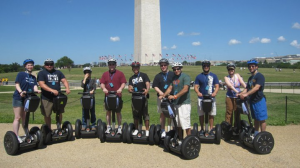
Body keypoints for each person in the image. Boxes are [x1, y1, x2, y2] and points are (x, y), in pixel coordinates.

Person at [160, 62, 191, 140]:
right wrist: (163, 96)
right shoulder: (174, 78)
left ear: (181, 68)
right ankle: (180, 140)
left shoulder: (185, 77)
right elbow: (170, 88)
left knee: (186, 124)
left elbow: (185, 89)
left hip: (184, 104)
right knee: (178, 124)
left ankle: (189, 140)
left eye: (178, 69)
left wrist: (175, 96)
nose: (176, 70)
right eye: (174, 69)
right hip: (176, 104)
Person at [37, 59, 71, 132]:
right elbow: (42, 84)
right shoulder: (42, 73)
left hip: (57, 97)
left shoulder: (58, 72)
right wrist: (52, 90)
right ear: (44, 65)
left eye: (51, 64)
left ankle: (59, 127)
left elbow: (64, 80)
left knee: (59, 112)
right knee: (47, 114)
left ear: (53, 65)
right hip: (47, 97)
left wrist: (67, 88)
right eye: (47, 64)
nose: (49, 66)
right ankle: (48, 129)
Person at [12, 59, 40, 143]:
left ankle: (26, 134)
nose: (30, 66)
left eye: (31, 65)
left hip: (28, 98)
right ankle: (16, 136)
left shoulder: (33, 77)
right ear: (25, 66)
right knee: (18, 117)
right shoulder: (21, 74)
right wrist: (20, 92)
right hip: (19, 97)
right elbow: (17, 84)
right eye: (28, 65)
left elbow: (35, 86)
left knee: (25, 117)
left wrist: (37, 90)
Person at [239, 59, 268, 136]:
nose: (251, 67)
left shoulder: (260, 76)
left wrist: (246, 94)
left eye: (252, 66)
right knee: (255, 118)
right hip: (252, 101)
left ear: (256, 67)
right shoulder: (250, 78)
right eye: (249, 66)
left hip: (259, 100)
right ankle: (256, 133)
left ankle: (263, 135)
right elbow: (247, 88)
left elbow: (256, 88)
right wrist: (240, 94)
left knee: (261, 119)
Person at [100, 59, 127, 134]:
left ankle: (119, 127)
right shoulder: (105, 74)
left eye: (113, 64)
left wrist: (120, 89)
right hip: (108, 96)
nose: (111, 66)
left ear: (115, 65)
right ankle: (108, 127)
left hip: (117, 96)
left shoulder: (120, 73)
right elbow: (102, 83)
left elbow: (123, 83)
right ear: (108, 65)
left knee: (118, 112)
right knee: (108, 112)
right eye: (110, 64)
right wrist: (104, 88)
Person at [194, 60, 219, 136]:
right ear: (202, 67)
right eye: (204, 66)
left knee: (211, 114)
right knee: (201, 114)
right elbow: (195, 86)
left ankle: (211, 129)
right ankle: (202, 129)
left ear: (209, 66)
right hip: (201, 98)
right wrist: (198, 92)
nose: (206, 67)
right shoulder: (199, 76)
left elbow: (217, 86)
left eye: (207, 66)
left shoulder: (214, 76)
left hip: (211, 98)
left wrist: (215, 92)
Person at [152, 58, 174, 138]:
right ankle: (163, 130)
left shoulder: (172, 74)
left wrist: (166, 94)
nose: (163, 67)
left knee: (172, 114)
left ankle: (173, 129)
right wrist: (161, 93)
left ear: (167, 65)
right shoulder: (158, 76)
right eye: (161, 65)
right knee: (162, 114)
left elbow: (175, 85)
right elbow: (155, 86)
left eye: (165, 65)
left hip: (171, 97)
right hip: (161, 98)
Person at [128, 61, 150, 136]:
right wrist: (130, 89)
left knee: (145, 114)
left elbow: (147, 83)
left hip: (143, 96)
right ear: (132, 69)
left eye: (137, 67)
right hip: (135, 97)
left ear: (139, 68)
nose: (135, 69)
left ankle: (147, 130)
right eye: (134, 67)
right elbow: (130, 86)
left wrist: (147, 89)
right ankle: (136, 129)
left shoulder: (144, 75)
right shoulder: (131, 78)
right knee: (135, 114)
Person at [224, 64, 246, 130]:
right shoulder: (226, 77)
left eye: (232, 69)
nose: (231, 71)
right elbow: (230, 86)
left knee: (237, 112)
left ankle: (237, 127)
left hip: (237, 97)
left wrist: (243, 92)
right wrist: (237, 92)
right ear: (228, 70)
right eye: (229, 69)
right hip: (229, 96)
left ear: (234, 70)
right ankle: (228, 127)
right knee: (229, 112)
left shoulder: (237, 76)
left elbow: (244, 84)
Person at [81, 67, 97, 131]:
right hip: (84, 98)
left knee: (92, 112)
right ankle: (84, 125)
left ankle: (93, 125)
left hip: (91, 98)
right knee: (84, 112)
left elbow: (94, 87)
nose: (87, 74)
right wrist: (85, 78)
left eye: (88, 72)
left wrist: (92, 91)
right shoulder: (83, 80)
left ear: (90, 73)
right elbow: (82, 86)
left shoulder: (93, 80)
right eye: (85, 72)